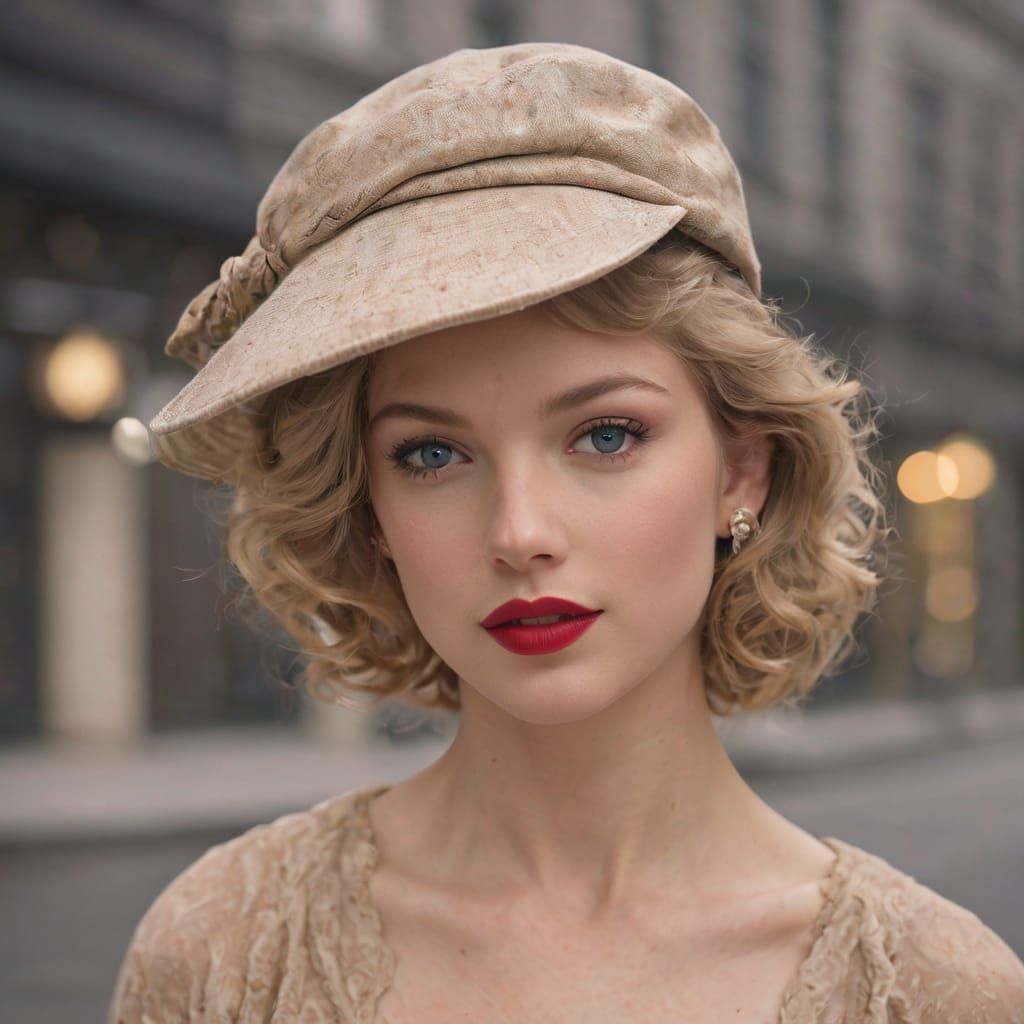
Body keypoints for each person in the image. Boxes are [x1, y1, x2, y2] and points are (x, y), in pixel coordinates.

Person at [108, 42, 1024, 1024]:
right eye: (430, 454)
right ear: (368, 509)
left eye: (605, 434)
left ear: (741, 469)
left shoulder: (938, 992)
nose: (520, 532)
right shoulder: (220, 950)